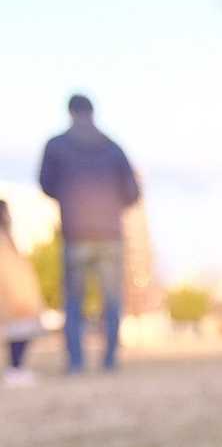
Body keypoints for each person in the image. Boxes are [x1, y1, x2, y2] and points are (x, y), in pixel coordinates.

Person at [39, 94, 140, 374]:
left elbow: (45, 183)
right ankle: (110, 360)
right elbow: (133, 192)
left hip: (75, 232)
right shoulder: (113, 147)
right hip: (110, 233)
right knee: (112, 299)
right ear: (92, 112)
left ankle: (76, 362)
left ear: (70, 112)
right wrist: (111, 206)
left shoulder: (57, 145)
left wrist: (70, 199)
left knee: (73, 301)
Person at [0, 200, 45, 388]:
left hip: (19, 295)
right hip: (15, 296)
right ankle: (15, 369)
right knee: (19, 330)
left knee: (20, 331)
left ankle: (16, 368)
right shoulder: (3, 240)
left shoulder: (8, 237)